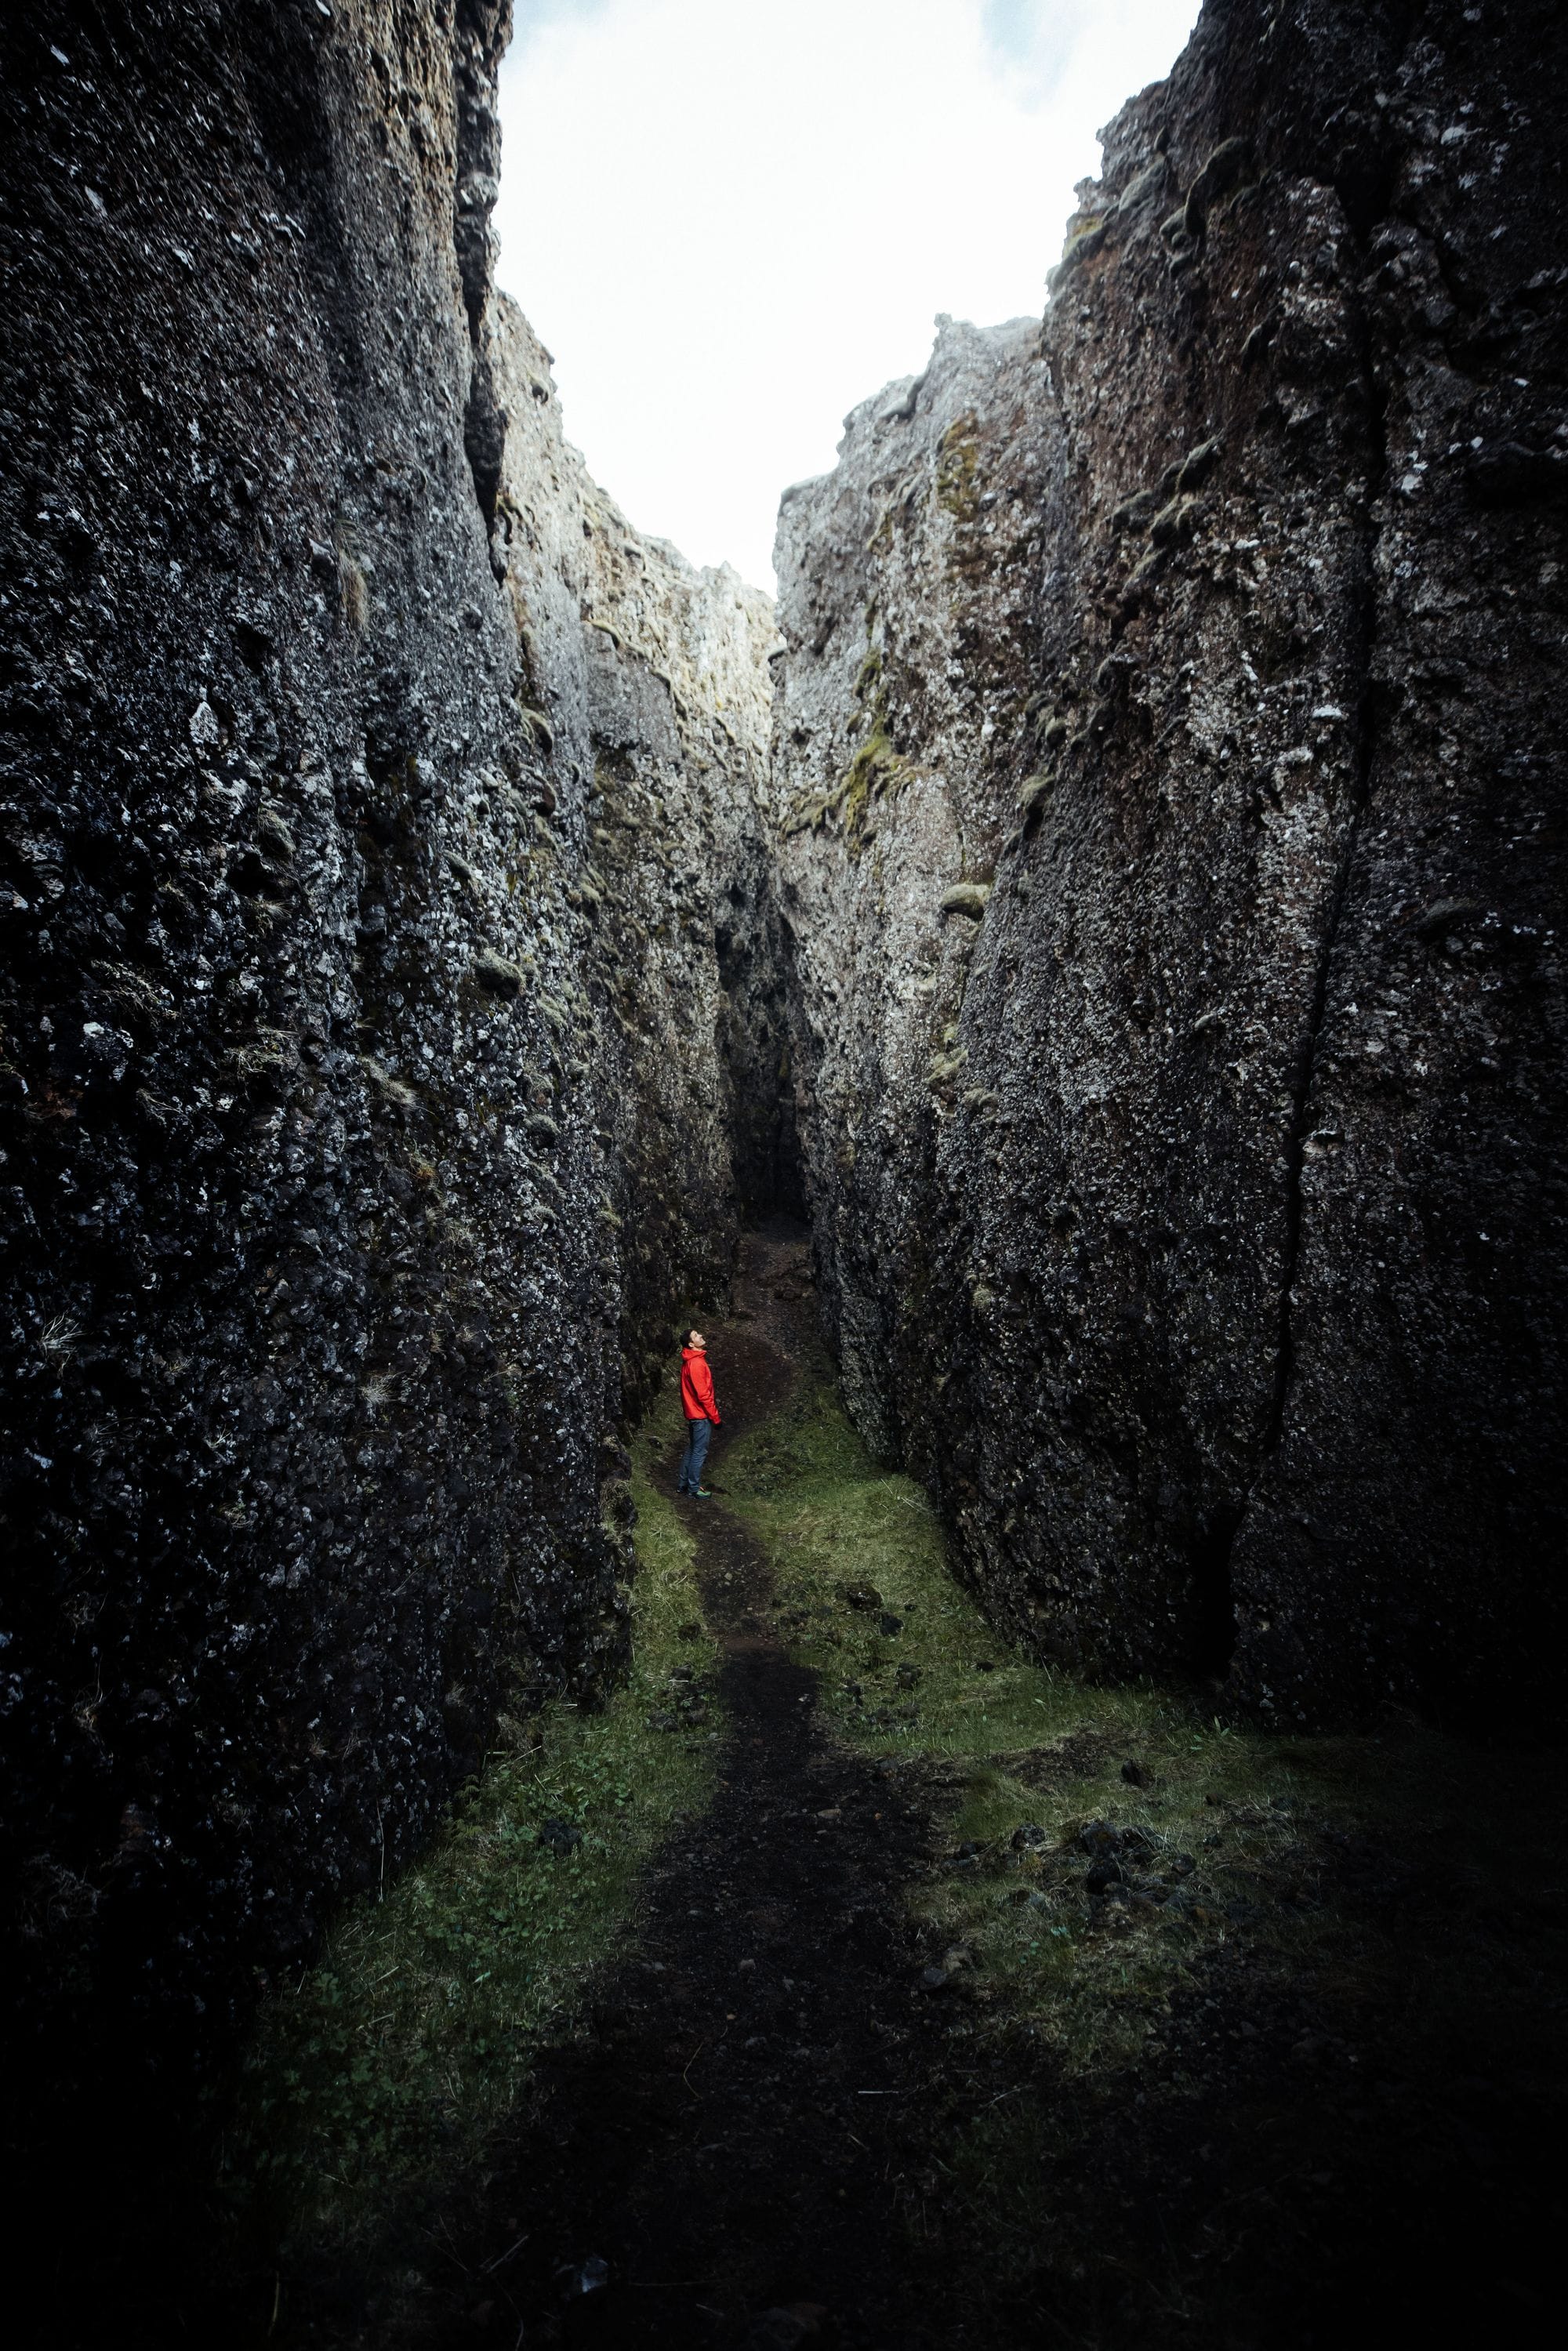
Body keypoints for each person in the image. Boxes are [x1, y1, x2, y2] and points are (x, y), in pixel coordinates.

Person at [677, 1327, 721, 1497]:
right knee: (698, 1451)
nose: (701, 1335)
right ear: (691, 1344)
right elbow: (703, 1395)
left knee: (692, 1449)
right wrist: (715, 1417)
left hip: (694, 1414)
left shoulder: (691, 1361)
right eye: (696, 1335)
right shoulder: (695, 1363)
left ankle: (683, 1485)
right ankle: (693, 1489)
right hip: (700, 1415)